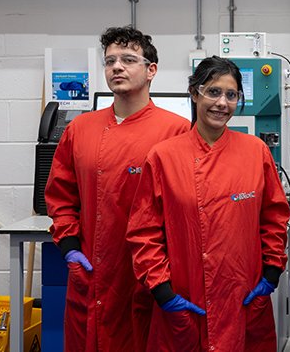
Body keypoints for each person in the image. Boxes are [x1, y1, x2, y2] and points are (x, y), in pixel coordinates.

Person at [126, 56, 290, 352]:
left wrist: (272, 271)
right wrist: (163, 292)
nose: (222, 103)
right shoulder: (164, 156)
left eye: (231, 95)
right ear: (194, 93)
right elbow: (143, 232)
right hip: (185, 303)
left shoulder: (256, 152)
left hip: (244, 300)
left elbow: (274, 217)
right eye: (213, 92)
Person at [45, 26, 189, 351]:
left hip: (147, 277)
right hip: (91, 272)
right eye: (110, 61)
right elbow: (60, 196)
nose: (117, 67)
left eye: (128, 59)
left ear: (151, 70)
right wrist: (69, 247)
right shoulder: (79, 129)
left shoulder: (176, 130)